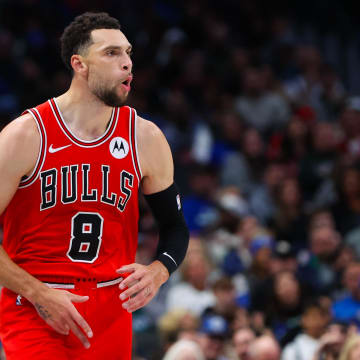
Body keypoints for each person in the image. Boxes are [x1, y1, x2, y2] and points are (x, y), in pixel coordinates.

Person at [0, 12, 189, 360]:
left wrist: (158, 271)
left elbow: (175, 227)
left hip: (111, 311)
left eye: (129, 53)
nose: (127, 63)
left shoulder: (145, 137)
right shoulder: (25, 135)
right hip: (36, 307)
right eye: (112, 53)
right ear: (79, 64)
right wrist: (39, 293)